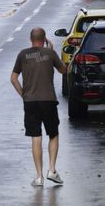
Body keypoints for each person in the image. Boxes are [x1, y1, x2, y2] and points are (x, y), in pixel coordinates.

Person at [10, 27, 67, 187]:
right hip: (48, 100)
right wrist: (51, 51)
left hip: (31, 102)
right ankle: (52, 170)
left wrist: (24, 95)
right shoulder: (50, 53)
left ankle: (39, 177)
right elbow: (64, 70)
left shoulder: (22, 54)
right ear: (44, 40)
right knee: (53, 134)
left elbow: (13, 78)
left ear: (30, 39)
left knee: (36, 137)